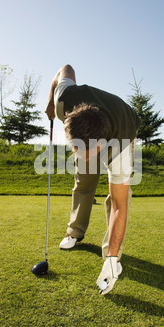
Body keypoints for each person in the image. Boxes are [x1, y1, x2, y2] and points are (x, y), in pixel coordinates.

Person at [45, 64, 140, 295]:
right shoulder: (65, 100)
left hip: (124, 123)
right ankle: (74, 232)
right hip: (91, 124)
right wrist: (50, 102)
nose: (80, 154)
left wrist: (111, 258)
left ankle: (111, 257)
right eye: (75, 148)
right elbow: (65, 68)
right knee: (83, 181)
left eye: (88, 152)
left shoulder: (121, 143)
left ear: (101, 144)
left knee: (117, 197)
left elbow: (119, 206)